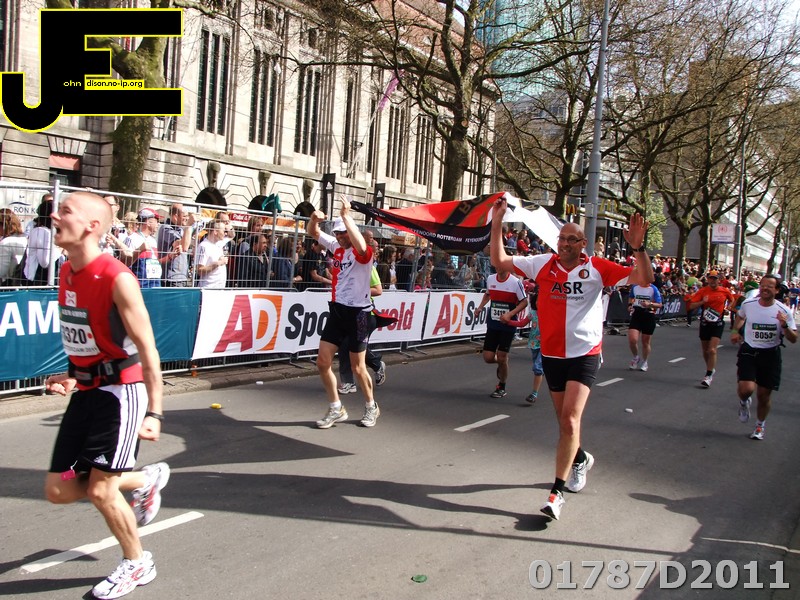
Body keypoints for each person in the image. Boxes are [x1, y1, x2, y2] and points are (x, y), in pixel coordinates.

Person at [490, 197, 653, 521]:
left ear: (582, 244)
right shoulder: (541, 264)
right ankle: (580, 459)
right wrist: (497, 223)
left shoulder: (598, 268)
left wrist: (638, 248)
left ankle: (556, 493)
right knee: (564, 422)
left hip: (584, 354)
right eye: (561, 238)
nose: (564, 244)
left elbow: (644, 279)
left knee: (570, 420)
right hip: (553, 354)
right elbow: (500, 261)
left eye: (571, 239)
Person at [42, 191, 169, 600]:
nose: (55, 215)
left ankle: (137, 562)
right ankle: (144, 479)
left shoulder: (117, 278)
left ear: (92, 226)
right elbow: (87, 335)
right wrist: (71, 374)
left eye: (65, 211)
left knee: (100, 490)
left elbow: (147, 349)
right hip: (86, 390)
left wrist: (154, 413)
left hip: (121, 394)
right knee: (58, 489)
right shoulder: (67, 271)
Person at [308, 196, 380, 428]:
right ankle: (336, 408)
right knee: (322, 362)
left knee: (358, 368)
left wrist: (346, 216)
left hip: (359, 314)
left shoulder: (364, 253)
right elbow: (313, 233)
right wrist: (314, 219)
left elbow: (360, 245)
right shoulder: (336, 247)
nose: (339, 237)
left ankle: (371, 406)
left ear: (351, 232)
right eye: (337, 233)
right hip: (338, 310)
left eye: (343, 233)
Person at [730, 274, 797, 440]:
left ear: (777, 290)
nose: (765, 288)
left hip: (770, 354)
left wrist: (784, 326)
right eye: (762, 285)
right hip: (749, 350)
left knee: (763, 395)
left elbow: (793, 338)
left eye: (769, 286)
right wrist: (735, 331)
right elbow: (740, 316)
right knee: (746, 389)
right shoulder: (749, 304)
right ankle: (744, 402)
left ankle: (760, 426)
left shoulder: (783, 310)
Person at [473, 266, 526, 398]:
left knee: (502, 356)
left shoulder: (515, 282)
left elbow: (524, 302)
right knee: (488, 357)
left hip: (508, 325)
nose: (498, 268)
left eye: (501, 265)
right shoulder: (491, 279)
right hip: (493, 323)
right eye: (496, 265)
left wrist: (510, 314)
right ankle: (502, 363)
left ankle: (501, 386)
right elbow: (487, 294)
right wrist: (480, 307)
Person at [338, 265, 387, 394]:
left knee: (352, 346)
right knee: (347, 345)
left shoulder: (368, 267)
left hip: (364, 315)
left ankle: (350, 381)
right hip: (348, 313)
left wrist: (356, 291)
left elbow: (378, 290)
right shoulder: (346, 265)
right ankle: (350, 381)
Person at [685, 270, 735, 387]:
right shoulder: (703, 291)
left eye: (715, 279)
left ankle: (708, 375)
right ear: (708, 279)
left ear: (719, 280)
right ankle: (710, 368)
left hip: (717, 323)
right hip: (705, 323)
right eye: (711, 278)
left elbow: (732, 299)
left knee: (712, 350)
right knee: (705, 351)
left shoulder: (724, 291)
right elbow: (691, 306)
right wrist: (703, 301)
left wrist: (728, 307)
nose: (712, 281)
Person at [506, 281, 543, 404]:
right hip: (534, 343)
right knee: (538, 367)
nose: (539, 303)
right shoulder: (533, 313)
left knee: (537, 368)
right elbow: (522, 323)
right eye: (537, 301)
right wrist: (508, 322)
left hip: (546, 344)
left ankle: (534, 393)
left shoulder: (550, 314)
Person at [24, 193, 61, 285]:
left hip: (46, 278)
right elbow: (45, 262)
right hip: (41, 280)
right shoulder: (43, 232)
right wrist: (60, 249)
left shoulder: (48, 231)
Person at [157, 203, 196, 287]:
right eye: (185, 216)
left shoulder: (181, 229)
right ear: (175, 216)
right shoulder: (166, 228)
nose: (187, 218)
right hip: (171, 278)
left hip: (182, 276)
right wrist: (188, 226)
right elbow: (184, 247)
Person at [627, 283, 663, 372]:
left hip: (648, 315)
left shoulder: (653, 288)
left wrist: (649, 304)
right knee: (632, 339)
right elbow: (631, 297)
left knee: (645, 342)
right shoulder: (635, 287)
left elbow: (659, 304)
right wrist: (630, 305)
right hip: (637, 314)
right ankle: (636, 357)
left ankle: (645, 361)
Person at [124, 208, 163, 289]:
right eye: (157, 221)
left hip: (154, 285)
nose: (158, 224)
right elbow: (125, 263)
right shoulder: (132, 239)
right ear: (148, 222)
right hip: (140, 286)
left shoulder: (153, 240)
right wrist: (139, 250)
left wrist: (170, 256)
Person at [195, 219, 228, 288]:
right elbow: (199, 270)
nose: (225, 233)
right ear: (215, 231)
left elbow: (232, 235)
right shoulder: (204, 246)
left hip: (219, 289)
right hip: (208, 289)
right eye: (224, 231)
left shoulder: (218, 245)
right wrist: (217, 264)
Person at [0, 210, 28, 284]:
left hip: (8, 284)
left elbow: (1, 271)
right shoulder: (24, 239)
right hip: (21, 282)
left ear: (3, 225)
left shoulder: (6, 243)